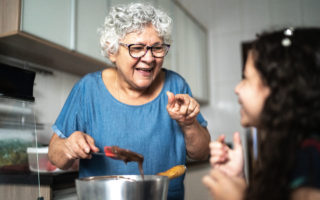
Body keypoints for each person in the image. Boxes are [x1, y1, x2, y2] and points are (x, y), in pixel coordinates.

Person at [48, 3, 210, 200]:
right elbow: (55, 156)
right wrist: (68, 147)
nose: (149, 58)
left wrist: (189, 123)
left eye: (157, 48)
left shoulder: (176, 86)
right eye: (137, 48)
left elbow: (201, 153)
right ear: (112, 51)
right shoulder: (88, 89)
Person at [202, 27, 320, 200]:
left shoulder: (311, 157)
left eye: (246, 78)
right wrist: (238, 179)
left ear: (277, 88)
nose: (237, 88)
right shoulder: (288, 149)